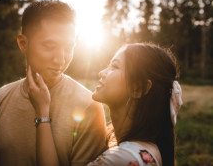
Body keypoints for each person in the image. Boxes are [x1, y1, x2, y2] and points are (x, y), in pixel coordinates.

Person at [0, 0, 107, 166]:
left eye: (69, 47)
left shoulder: (89, 106)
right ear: (23, 44)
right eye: (50, 46)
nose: (61, 59)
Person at [28, 43, 183, 166]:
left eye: (114, 66)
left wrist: (42, 111)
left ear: (138, 88)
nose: (102, 72)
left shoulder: (124, 158)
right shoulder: (145, 151)